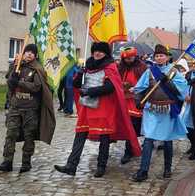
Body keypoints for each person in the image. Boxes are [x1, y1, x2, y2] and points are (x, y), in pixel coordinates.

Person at [54, 42, 140, 178]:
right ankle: (71, 165)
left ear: (106, 53)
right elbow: (77, 85)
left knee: (104, 137)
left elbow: (110, 87)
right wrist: (79, 74)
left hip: (104, 108)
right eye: (95, 51)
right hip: (87, 107)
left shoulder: (110, 67)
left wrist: (90, 91)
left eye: (100, 51)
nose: (97, 53)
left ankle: (101, 166)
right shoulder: (88, 66)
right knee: (80, 134)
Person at [130, 44, 189, 182]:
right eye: (157, 56)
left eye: (161, 55)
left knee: (167, 140)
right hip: (151, 109)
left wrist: (168, 83)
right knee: (149, 138)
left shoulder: (174, 72)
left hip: (167, 110)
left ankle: (167, 169)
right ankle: (143, 171)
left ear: (167, 57)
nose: (159, 58)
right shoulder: (150, 71)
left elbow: (182, 91)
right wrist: (138, 101)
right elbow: (140, 87)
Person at [0, 43, 56, 173]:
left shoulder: (37, 69)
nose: (28, 54)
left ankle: (26, 163)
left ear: (35, 55)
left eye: (31, 52)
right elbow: (9, 79)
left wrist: (20, 83)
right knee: (10, 134)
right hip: (15, 106)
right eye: (27, 51)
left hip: (30, 108)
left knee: (29, 136)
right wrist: (13, 69)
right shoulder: (18, 66)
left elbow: (36, 87)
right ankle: (7, 161)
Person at [117, 47, 148, 164]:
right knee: (127, 126)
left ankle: (131, 149)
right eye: (126, 59)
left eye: (130, 58)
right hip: (124, 101)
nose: (128, 60)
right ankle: (129, 150)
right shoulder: (121, 67)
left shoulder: (142, 67)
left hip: (136, 101)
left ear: (135, 57)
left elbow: (146, 83)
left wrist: (135, 88)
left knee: (134, 127)